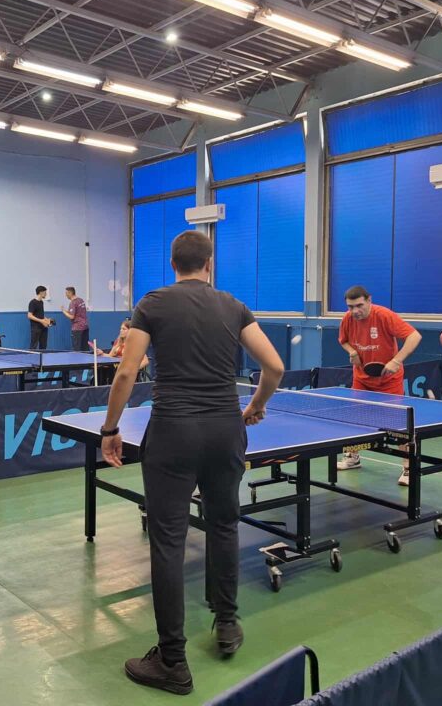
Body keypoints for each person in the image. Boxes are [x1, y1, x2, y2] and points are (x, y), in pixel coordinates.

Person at [98, 230, 284, 696]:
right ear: (209, 263)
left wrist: (110, 428)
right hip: (225, 430)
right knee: (224, 524)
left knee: (168, 541)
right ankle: (227, 623)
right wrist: (256, 405)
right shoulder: (234, 306)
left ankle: (172, 661)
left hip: (173, 433)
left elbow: (127, 370)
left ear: (173, 264)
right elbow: (275, 366)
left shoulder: (153, 304)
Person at [337, 285, 422, 485]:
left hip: (388, 379)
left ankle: (409, 467)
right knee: (354, 418)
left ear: (369, 300)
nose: (355, 311)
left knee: (398, 423)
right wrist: (351, 351)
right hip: (362, 377)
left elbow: (414, 336)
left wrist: (397, 360)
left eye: (359, 305)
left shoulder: (384, 315)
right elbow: (343, 340)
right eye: (350, 307)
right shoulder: (347, 318)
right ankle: (353, 457)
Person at [62, 286, 89, 352]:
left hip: (77, 328)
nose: (65, 295)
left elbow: (72, 316)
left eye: (66, 293)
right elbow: (77, 312)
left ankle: (77, 359)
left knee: (76, 348)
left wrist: (63, 311)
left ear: (70, 293)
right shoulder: (81, 300)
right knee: (85, 348)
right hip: (85, 326)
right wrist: (66, 311)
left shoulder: (73, 302)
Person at [27, 285, 52, 350]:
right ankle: (31, 356)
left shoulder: (41, 302)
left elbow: (40, 315)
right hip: (36, 328)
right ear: (41, 292)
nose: (46, 294)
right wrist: (41, 321)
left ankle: (42, 356)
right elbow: (29, 315)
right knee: (33, 346)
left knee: (43, 346)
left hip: (43, 327)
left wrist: (46, 320)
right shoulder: (32, 302)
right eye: (45, 292)